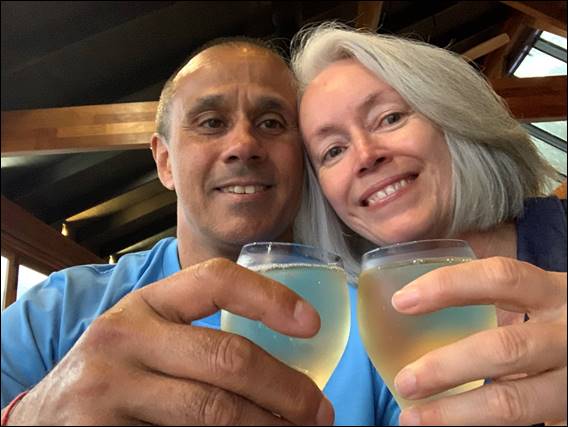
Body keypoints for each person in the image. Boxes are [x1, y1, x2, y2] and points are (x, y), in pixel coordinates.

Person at [1, 37, 400, 425]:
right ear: (165, 162)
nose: (244, 145)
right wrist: (33, 416)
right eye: (211, 123)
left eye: (272, 123)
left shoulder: (374, 321)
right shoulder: (59, 310)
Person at [292, 22, 567, 426]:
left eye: (389, 118)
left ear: (454, 116)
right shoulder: (347, 342)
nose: (365, 155)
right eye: (333, 151)